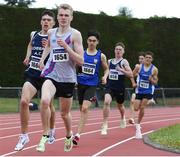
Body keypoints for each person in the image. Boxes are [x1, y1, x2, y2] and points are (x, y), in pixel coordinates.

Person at [36, 4, 84, 152]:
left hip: (68, 79)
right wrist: (42, 60)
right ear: (57, 17)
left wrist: (67, 48)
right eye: (61, 15)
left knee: (64, 114)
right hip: (51, 74)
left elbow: (81, 60)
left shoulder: (75, 34)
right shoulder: (51, 32)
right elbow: (49, 47)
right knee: (44, 101)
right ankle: (45, 134)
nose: (63, 18)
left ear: (71, 17)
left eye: (66, 15)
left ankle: (69, 134)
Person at [14, 10, 56, 151]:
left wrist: (50, 47)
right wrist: (28, 56)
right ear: (40, 21)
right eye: (44, 19)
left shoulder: (56, 37)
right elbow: (30, 45)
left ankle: (51, 130)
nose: (46, 22)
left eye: (49, 20)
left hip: (48, 76)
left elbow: (61, 55)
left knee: (48, 105)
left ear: (53, 23)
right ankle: (24, 135)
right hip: (32, 73)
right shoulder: (34, 34)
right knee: (24, 101)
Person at [72, 30, 109, 146]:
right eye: (90, 40)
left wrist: (105, 76)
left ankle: (77, 135)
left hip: (92, 85)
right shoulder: (81, 53)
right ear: (87, 41)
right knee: (82, 110)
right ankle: (79, 129)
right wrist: (74, 79)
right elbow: (74, 67)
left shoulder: (101, 56)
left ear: (97, 42)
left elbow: (107, 68)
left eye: (94, 41)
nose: (92, 43)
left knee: (84, 108)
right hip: (81, 84)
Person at [101, 42, 133, 135]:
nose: (118, 51)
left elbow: (131, 74)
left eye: (120, 49)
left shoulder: (124, 62)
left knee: (120, 105)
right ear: (114, 50)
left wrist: (122, 70)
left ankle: (123, 117)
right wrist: (105, 77)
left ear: (123, 52)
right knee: (107, 101)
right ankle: (105, 124)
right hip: (110, 86)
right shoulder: (110, 61)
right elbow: (107, 71)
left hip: (119, 87)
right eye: (117, 49)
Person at [132, 51, 158, 139]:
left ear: (152, 59)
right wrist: (134, 80)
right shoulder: (139, 67)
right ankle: (149, 102)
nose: (148, 59)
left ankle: (138, 125)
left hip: (148, 91)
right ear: (144, 58)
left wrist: (151, 80)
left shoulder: (154, 69)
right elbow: (132, 74)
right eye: (146, 57)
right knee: (136, 108)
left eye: (149, 58)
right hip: (139, 91)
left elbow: (155, 82)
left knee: (142, 107)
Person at [129, 52, 145, 124]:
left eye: (142, 58)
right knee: (132, 101)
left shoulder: (150, 68)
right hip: (137, 88)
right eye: (139, 58)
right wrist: (133, 83)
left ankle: (150, 100)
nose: (140, 60)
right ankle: (131, 118)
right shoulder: (138, 66)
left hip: (145, 90)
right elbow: (131, 75)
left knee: (139, 107)